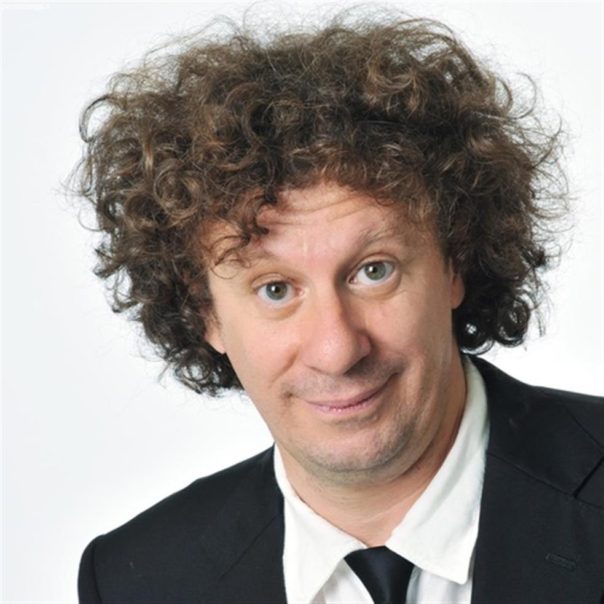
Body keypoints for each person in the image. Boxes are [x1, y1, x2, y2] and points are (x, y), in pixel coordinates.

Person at [74, 12, 604, 604]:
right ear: (206, 314)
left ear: (454, 264)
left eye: (374, 271)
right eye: (276, 289)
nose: (337, 350)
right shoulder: (134, 580)